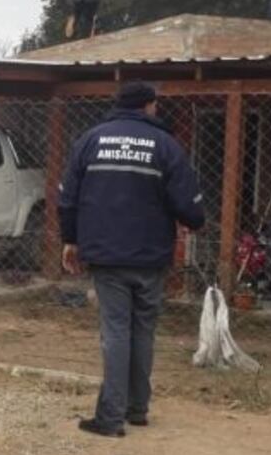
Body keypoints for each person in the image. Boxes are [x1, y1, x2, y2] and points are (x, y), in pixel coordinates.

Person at [58, 82, 205, 437]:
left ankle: (110, 417)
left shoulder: (91, 140)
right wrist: (195, 220)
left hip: (106, 256)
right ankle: (136, 409)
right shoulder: (166, 145)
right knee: (143, 331)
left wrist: (70, 240)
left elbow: (67, 197)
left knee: (115, 331)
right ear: (149, 106)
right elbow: (189, 206)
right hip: (151, 256)